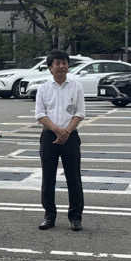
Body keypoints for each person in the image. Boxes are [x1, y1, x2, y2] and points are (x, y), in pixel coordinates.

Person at [35, 49, 85, 231]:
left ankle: (75, 217)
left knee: (74, 178)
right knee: (48, 179)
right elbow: (40, 114)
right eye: (58, 63)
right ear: (50, 67)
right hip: (49, 136)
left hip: (71, 136)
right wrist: (57, 131)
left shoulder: (76, 86)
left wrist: (66, 132)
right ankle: (49, 216)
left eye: (64, 63)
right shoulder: (43, 88)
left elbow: (80, 113)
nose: (62, 66)